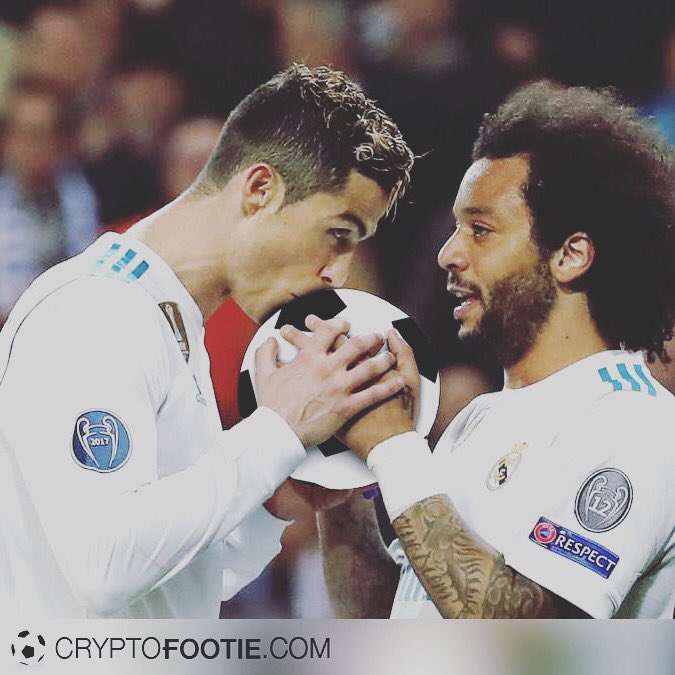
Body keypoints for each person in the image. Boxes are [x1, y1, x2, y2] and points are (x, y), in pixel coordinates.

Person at [0, 63, 414, 618]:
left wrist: (273, 501)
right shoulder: (94, 310)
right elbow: (104, 566)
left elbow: (178, 585)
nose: (337, 272)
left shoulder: (169, 318)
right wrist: (278, 431)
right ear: (260, 190)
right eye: (338, 233)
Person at [314, 81, 675, 618]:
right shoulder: (476, 420)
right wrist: (344, 495)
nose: (448, 253)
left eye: (480, 230)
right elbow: (398, 623)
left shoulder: (636, 425)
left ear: (570, 255)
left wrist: (393, 446)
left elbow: (525, 642)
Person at [0, 77, 99, 325]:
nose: (31, 146)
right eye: (22, 133)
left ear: (61, 141)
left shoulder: (81, 195)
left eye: (43, 134)